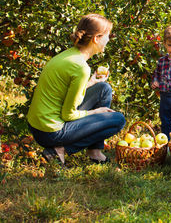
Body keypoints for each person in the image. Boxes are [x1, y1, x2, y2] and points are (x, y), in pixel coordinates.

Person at [27, 14, 126, 165]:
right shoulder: (81, 68)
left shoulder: (69, 55)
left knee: (103, 88)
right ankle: (60, 150)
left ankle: (94, 151)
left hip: (38, 125)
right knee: (118, 120)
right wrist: (95, 112)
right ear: (96, 39)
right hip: (51, 132)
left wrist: (90, 83)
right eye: (107, 36)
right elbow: (68, 114)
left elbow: (62, 93)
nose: (108, 40)